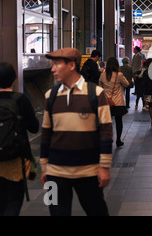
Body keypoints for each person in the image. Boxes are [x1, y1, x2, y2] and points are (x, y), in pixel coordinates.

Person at [40, 48, 113, 216]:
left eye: (57, 64)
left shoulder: (96, 93)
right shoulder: (50, 96)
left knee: (98, 212)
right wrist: (45, 167)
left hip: (88, 171)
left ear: (71, 65)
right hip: (55, 173)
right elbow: (46, 134)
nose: (52, 69)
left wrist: (104, 167)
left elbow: (106, 132)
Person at [0, 62, 39, 216]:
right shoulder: (21, 99)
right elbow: (34, 128)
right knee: (14, 200)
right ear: (14, 79)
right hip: (15, 159)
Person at [100, 57, 130, 148]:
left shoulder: (103, 75)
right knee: (118, 121)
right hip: (118, 102)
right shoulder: (119, 75)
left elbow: (99, 87)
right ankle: (118, 140)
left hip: (106, 101)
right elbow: (127, 84)